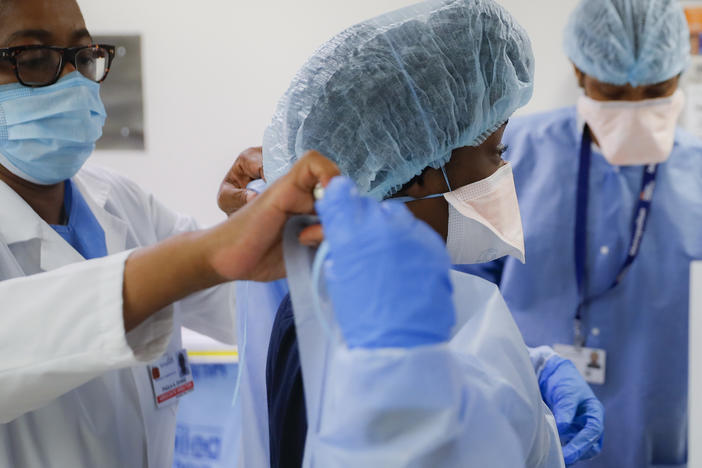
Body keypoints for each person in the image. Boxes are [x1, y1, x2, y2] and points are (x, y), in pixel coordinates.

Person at [223, 0, 604, 466]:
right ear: (423, 168)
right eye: (494, 148)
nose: (505, 168)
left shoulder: (314, 295)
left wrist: (529, 366)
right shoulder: (403, 348)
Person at [0, 0, 341, 466]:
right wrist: (201, 256)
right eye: (32, 59)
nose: (73, 83)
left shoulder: (118, 200)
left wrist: (263, 230)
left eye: (83, 56)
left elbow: (240, 310)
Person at [459, 0, 702, 466]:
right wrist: (531, 368)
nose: (634, 107)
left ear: (680, 71)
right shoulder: (506, 157)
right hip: (527, 428)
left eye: (656, 90)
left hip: (660, 441)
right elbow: (463, 293)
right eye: (612, 92)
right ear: (579, 70)